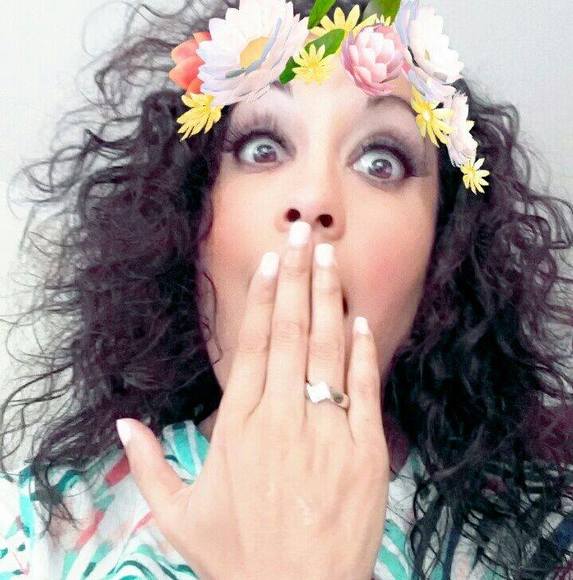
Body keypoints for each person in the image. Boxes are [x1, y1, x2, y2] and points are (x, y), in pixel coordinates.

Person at [0, 0, 572, 577]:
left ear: (443, 251)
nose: (313, 197)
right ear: (190, 220)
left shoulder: (546, 545)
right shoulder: (35, 533)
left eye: (381, 162)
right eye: (263, 148)